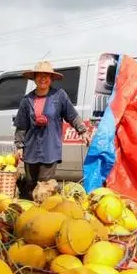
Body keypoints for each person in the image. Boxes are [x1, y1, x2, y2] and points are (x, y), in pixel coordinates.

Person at [13, 61, 91, 200]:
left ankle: (43, 215)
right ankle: (29, 215)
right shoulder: (27, 100)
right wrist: (19, 146)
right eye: (39, 75)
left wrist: (83, 131)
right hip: (31, 149)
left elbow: (72, 115)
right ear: (34, 78)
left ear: (51, 78)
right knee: (30, 184)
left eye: (46, 75)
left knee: (45, 185)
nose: (43, 78)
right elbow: (22, 125)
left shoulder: (59, 96)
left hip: (50, 148)